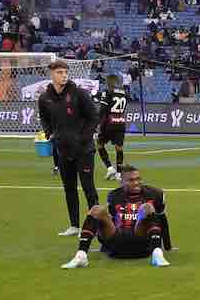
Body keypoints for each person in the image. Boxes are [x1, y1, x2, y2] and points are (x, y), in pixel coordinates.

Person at [61, 164, 170, 268]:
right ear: (121, 181)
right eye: (131, 180)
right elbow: (110, 220)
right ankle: (81, 255)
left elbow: (161, 218)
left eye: (138, 179)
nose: (136, 182)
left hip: (141, 241)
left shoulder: (155, 193)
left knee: (147, 207)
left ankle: (157, 254)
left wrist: (167, 246)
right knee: (96, 209)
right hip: (116, 243)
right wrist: (103, 245)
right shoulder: (114, 195)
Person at [37, 59, 100, 236]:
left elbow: (94, 117)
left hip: (84, 150)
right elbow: (44, 118)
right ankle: (74, 226)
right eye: (59, 72)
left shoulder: (79, 93)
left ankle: (94, 226)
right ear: (52, 74)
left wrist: (83, 138)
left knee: (88, 188)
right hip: (63, 150)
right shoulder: (45, 97)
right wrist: (49, 134)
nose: (64, 75)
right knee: (69, 188)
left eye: (65, 72)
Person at [94, 74, 129, 180]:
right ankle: (119, 173)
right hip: (120, 122)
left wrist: (97, 123)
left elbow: (102, 109)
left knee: (100, 144)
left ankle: (110, 168)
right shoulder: (124, 93)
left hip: (109, 123)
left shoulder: (107, 92)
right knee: (119, 148)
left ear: (109, 82)